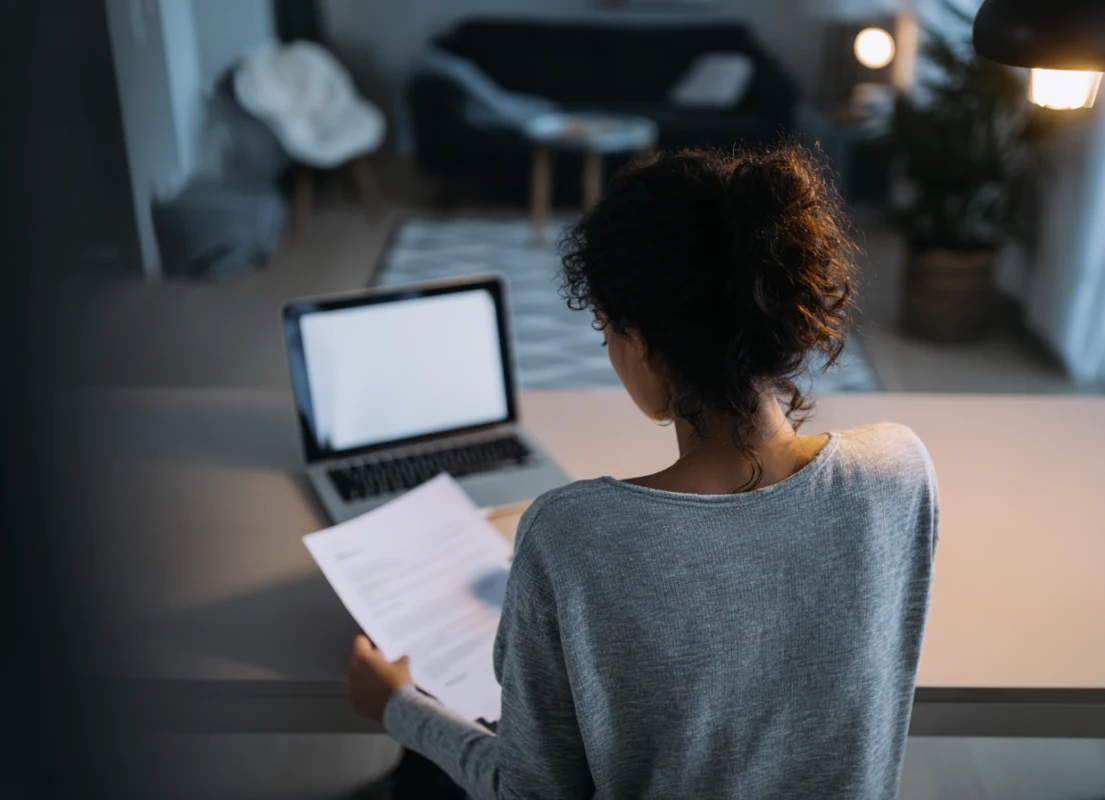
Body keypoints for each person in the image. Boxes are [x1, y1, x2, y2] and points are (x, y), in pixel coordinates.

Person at [345, 144, 939, 799]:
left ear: (642, 343)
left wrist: (399, 707)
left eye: (606, 329)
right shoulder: (899, 470)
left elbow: (531, 792)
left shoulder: (572, 535)